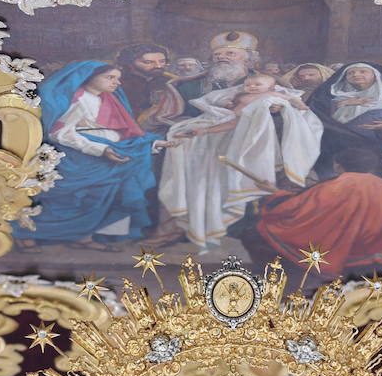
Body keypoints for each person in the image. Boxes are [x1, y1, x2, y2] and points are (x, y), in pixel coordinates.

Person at [157, 75, 324, 250]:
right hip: (243, 146)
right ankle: (238, 229)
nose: (252, 87)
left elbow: (295, 106)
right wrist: (205, 131)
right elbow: (235, 121)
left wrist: (292, 107)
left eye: (258, 84)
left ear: (272, 87)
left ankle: (274, 233)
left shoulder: (276, 98)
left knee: (266, 191)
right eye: (248, 85)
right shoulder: (242, 99)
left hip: (267, 150)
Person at [24, 60, 162, 245]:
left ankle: (92, 236)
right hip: (81, 158)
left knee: (110, 195)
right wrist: (100, 149)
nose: (117, 82)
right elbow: (59, 132)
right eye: (110, 77)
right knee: (76, 199)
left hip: (108, 157)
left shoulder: (109, 99)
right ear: (90, 77)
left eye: (117, 78)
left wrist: (151, 143)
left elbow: (125, 133)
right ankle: (29, 234)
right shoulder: (79, 99)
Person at [248, 145, 382, 277]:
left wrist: (275, 193)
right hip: (380, 251)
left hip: (349, 254)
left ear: (338, 166)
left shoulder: (338, 185)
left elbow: (299, 207)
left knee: (258, 229)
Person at [309, 64, 382, 176]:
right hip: (338, 143)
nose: (356, 75)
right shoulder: (335, 94)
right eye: (351, 73)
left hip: (373, 144)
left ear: (376, 75)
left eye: (362, 71)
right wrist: (343, 103)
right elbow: (320, 117)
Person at [114, 43, 186, 131]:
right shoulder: (117, 82)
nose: (158, 66)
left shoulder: (169, 79)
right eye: (148, 62)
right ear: (129, 63)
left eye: (162, 61)